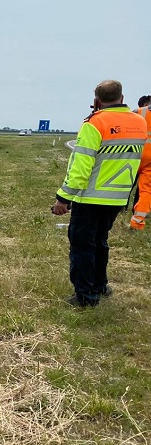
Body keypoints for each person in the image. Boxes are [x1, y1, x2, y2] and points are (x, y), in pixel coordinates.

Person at [52, 80, 146, 307]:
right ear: (122, 98)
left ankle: (85, 296)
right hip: (118, 196)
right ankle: (100, 285)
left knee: (83, 246)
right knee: (100, 242)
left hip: (91, 196)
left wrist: (64, 198)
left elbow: (81, 166)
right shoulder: (139, 122)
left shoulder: (94, 123)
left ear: (96, 101)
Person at [129, 98, 151, 229]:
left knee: (124, 183)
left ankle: (112, 210)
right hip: (150, 160)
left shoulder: (138, 112)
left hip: (135, 152)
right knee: (146, 190)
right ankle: (137, 221)